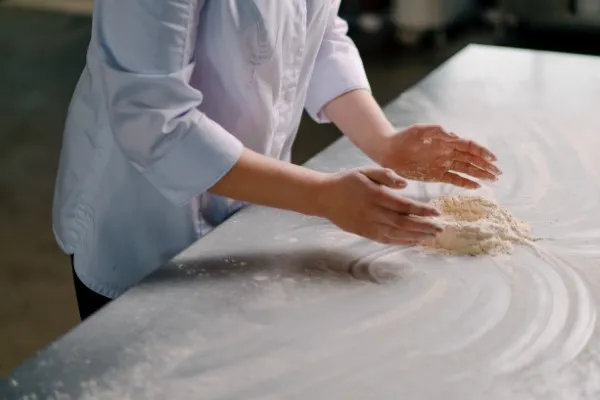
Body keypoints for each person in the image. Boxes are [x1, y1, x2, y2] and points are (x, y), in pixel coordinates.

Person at [53, 0, 501, 320]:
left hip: (247, 206)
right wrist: (322, 195)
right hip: (141, 227)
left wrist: (384, 141)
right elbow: (153, 119)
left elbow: (321, 32)